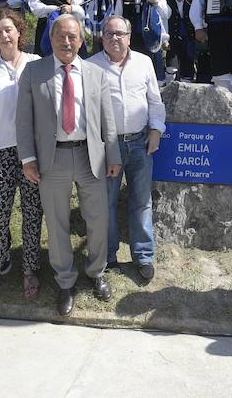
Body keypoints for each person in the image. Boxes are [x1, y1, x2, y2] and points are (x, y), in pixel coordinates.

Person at [16, 14, 121, 316]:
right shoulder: (34, 72)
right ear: (50, 39)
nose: (66, 41)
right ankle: (65, 281)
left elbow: (107, 119)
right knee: (58, 222)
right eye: (60, 35)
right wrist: (28, 158)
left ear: (82, 40)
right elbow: (23, 120)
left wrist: (113, 156)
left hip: (91, 157)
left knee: (98, 219)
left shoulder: (95, 73)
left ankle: (96, 272)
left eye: (72, 36)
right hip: (52, 159)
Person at [0, 9, 44, 303]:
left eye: (9, 29)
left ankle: (30, 270)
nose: (4, 35)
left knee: (32, 213)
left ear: (19, 32)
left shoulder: (37, 64)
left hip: (32, 154)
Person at [88, 15, 166, 279]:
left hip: (140, 142)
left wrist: (156, 130)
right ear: (102, 37)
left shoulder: (144, 63)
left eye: (119, 33)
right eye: (109, 34)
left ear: (129, 37)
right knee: (106, 203)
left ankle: (143, 256)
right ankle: (108, 256)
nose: (114, 39)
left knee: (141, 201)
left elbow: (155, 102)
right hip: (107, 146)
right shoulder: (90, 66)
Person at [115, 0, 170, 80]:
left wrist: (156, 2)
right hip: (130, 40)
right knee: (132, 74)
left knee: (153, 75)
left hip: (151, 39)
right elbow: (117, 18)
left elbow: (166, 13)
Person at [165, 0, 196, 82]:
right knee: (171, 68)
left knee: (188, 70)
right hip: (172, 40)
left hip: (188, 40)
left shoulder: (191, 1)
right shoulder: (167, 2)